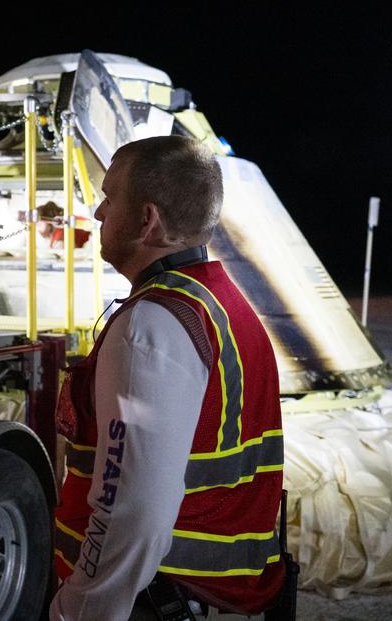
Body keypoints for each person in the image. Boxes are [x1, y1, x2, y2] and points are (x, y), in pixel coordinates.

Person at [50, 136, 285, 620]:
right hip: (215, 592)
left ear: (146, 220)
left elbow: (131, 511)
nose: (97, 213)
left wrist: (77, 610)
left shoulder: (150, 326)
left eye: (110, 198)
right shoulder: (222, 301)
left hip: (154, 596)